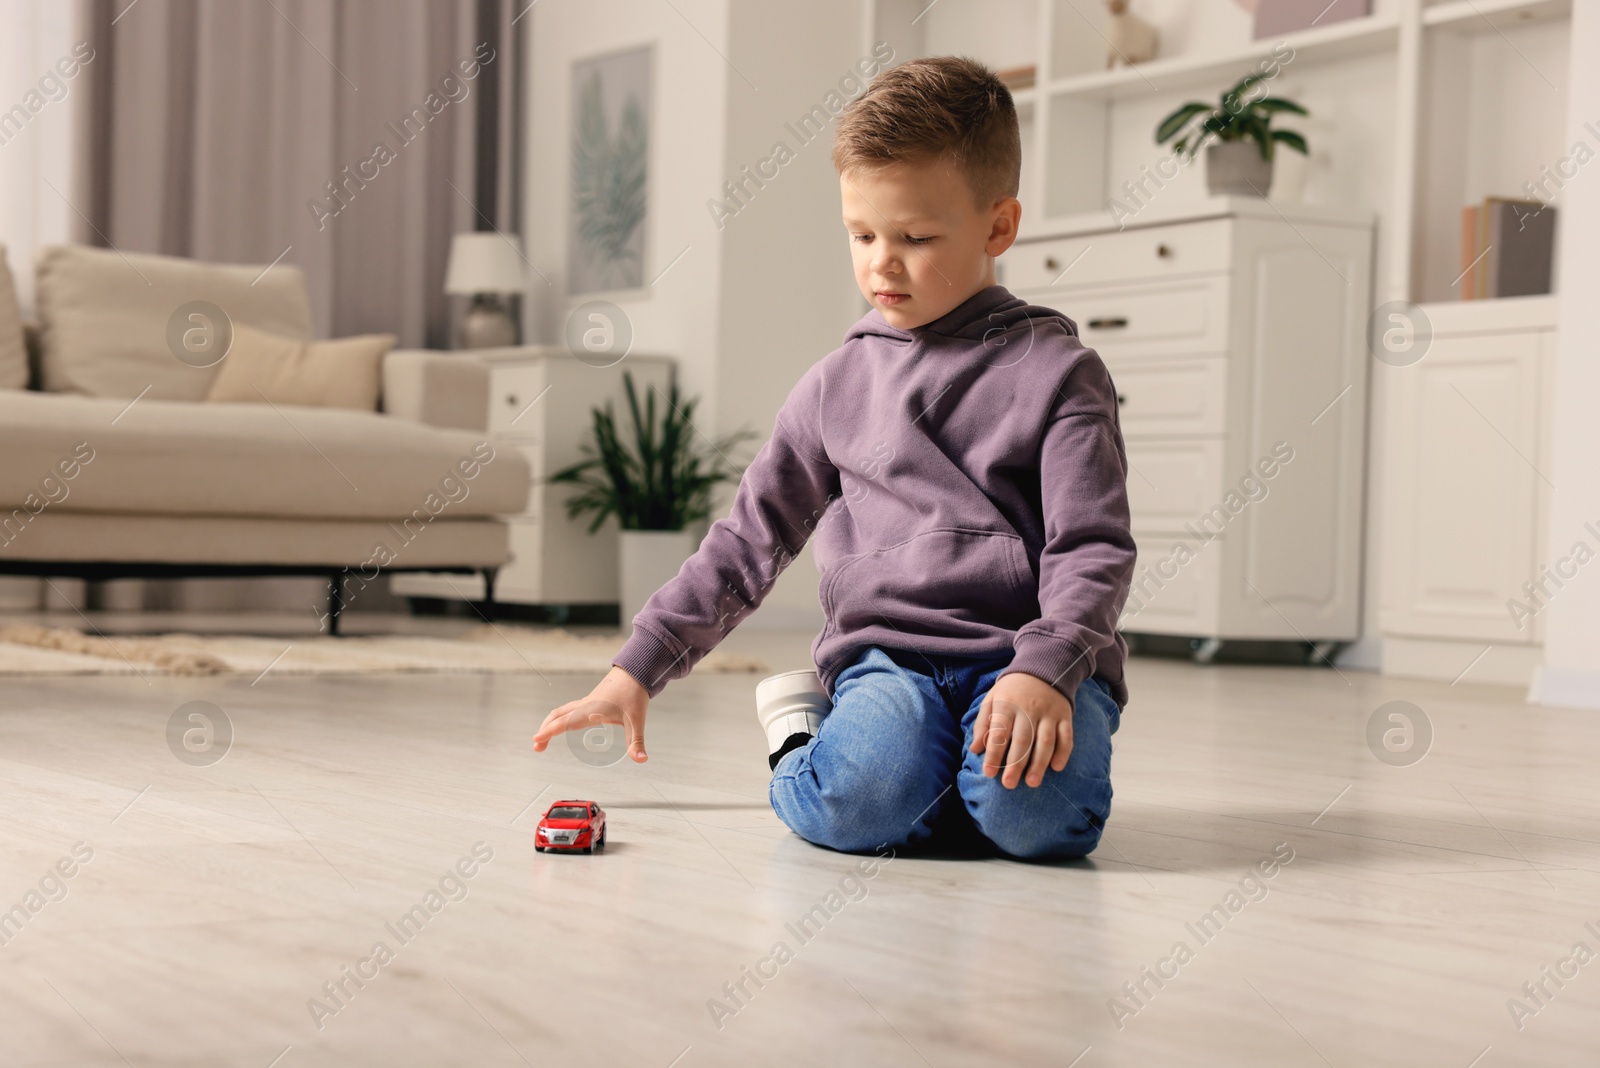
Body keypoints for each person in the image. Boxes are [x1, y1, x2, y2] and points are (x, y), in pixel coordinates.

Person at [533, 55, 1136, 860]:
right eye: (861, 234)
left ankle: (961, 787)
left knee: (1038, 824)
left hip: (1035, 661)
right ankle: (804, 735)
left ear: (998, 226)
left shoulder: (1062, 375)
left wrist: (1050, 666)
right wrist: (634, 671)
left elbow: (1091, 546)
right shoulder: (836, 384)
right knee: (856, 809)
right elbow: (747, 541)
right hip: (893, 661)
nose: (881, 263)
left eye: (916, 238)